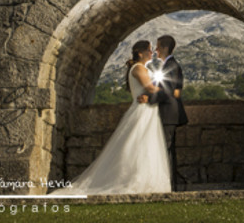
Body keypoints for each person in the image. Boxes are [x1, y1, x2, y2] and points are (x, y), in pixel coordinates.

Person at [67, 40, 171, 195]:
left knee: (146, 145)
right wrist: (169, 91)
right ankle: (133, 180)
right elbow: (149, 87)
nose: (152, 53)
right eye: (149, 50)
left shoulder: (142, 67)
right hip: (143, 110)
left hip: (148, 109)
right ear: (140, 52)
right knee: (139, 144)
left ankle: (146, 180)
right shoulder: (138, 68)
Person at [145, 34, 188, 190]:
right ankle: (171, 185)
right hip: (171, 113)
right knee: (168, 149)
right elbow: (177, 90)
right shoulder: (170, 64)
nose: (155, 50)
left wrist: (149, 99)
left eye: (157, 47)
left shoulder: (171, 65)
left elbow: (168, 91)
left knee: (166, 149)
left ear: (164, 48)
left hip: (168, 113)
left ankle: (169, 186)